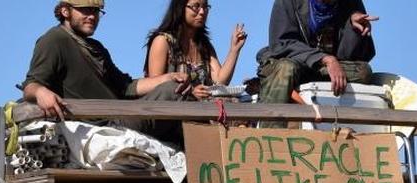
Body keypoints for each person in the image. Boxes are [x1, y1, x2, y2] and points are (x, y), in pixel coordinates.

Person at [22, 0, 190, 140]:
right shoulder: (54, 40)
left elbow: (126, 87)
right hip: (102, 125)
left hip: (121, 114)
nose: (92, 17)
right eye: (85, 11)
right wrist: (41, 92)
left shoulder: (96, 47)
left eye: (96, 12)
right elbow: (31, 85)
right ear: (65, 11)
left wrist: (167, 78)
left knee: (175, 88)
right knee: (173, 92)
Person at [255, 0, 377, 104]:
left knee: (363, 72)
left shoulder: (350, 3)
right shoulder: (288, 2)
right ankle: (271, 130)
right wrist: (325, 59)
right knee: (286, 68)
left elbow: (356, 57)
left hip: (321, 70)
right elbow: (281, 44)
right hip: (291, 61)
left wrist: (352, 28)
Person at [143, 0, 248, 100]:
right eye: (196, 6)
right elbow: (156, 87)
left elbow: (220, 81)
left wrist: (234, 50)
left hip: (202, 114)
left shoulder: (205, 46)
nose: (202, 12)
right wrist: (191, 92)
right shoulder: (162, 41)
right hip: (171, 114)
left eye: (205, 7)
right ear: (180, 8)